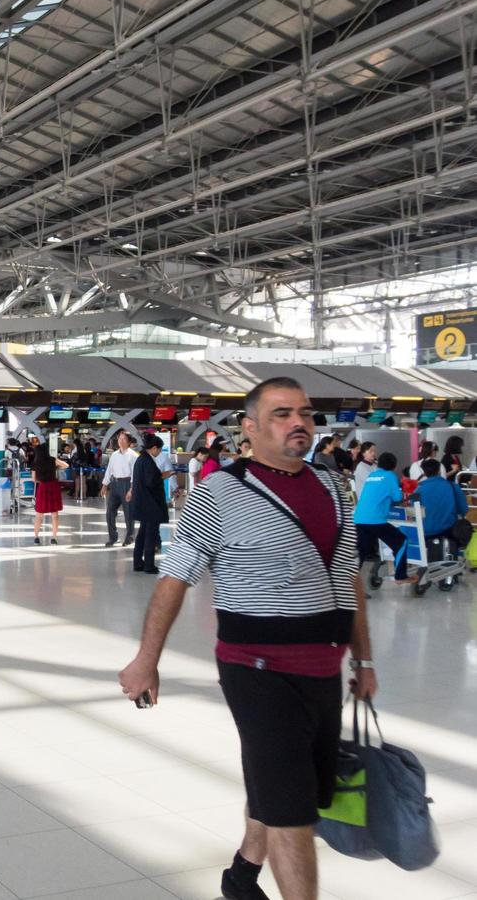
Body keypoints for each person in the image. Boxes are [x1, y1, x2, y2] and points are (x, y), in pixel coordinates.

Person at [119, 377, 375, 900]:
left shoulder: (332, 487)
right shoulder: (220, 492)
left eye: (305, 412)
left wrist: (362, 662)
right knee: (292, 813)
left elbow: (348, 578)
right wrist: (146, 660)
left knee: (292, 788)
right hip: (256, 668)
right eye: (282, 414)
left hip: (323, 668)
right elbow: (176, 578)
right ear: (250, 428)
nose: (299, 422)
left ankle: (241, 875)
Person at [354, 451, 412, 584]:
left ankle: (347, 588)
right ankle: (400, 576)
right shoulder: (390, 475)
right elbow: (397, 498)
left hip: (359, 518)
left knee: (361, 553)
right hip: (376, 520)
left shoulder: (372, 475)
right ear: (394, 465)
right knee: (401, 541)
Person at [411, 458, 469, 555]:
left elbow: (414, 514)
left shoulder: (418, 490)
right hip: (449, 531)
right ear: (439, 470)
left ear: (424, 473)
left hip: (426, 533)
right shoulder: (452, 486)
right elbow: (464, 509)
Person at [130, 434, 169, 574]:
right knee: (150, 535)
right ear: (154, 448)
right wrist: (162, 476)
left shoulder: (141, 459)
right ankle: (149, 565)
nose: (159, 453)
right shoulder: (147, 461)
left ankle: (138, 562)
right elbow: (151, 482)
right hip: (150, 504)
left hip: (142, 502)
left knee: (142, 534)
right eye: (159, 450)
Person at [100, 431, 138, 547]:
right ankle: (113, 537)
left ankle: (130, 536)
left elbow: (134, 474)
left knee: (128, 512)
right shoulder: (114, 455)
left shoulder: (133, 456)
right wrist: (104, 485)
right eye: (119, 439)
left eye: (124, 439)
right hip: (115, 484)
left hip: (127, 484)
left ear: (129, 442)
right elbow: (109, 470)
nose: (121, 441)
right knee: (110, 512)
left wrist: (131, 489)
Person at [31, 441, 68, 546]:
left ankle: (36, 537)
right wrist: (56, 468)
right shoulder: (52, 460)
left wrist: (41, 479)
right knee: (54, 515)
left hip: (43, 487)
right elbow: (66, 465)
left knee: (39, 514)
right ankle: (54, 538)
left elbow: (34, 479)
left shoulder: (35, 463)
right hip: (53, 487)